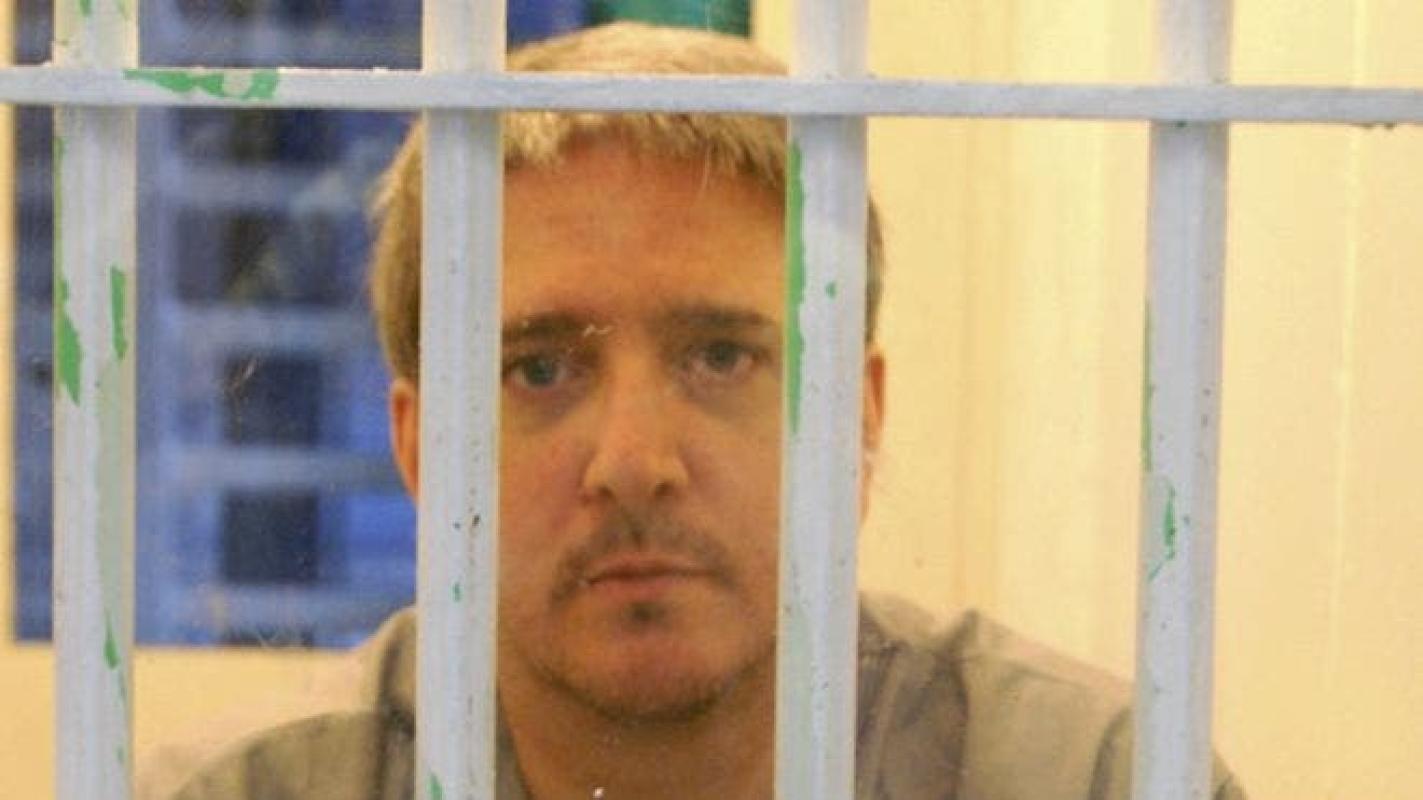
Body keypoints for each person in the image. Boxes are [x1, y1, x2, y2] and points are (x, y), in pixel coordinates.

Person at [165, 22, 1244, 800]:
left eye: (721, 356)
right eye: (539, 369)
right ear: (417, 447)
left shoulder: (1095, 777)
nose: (634, 460)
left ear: (858, 422)